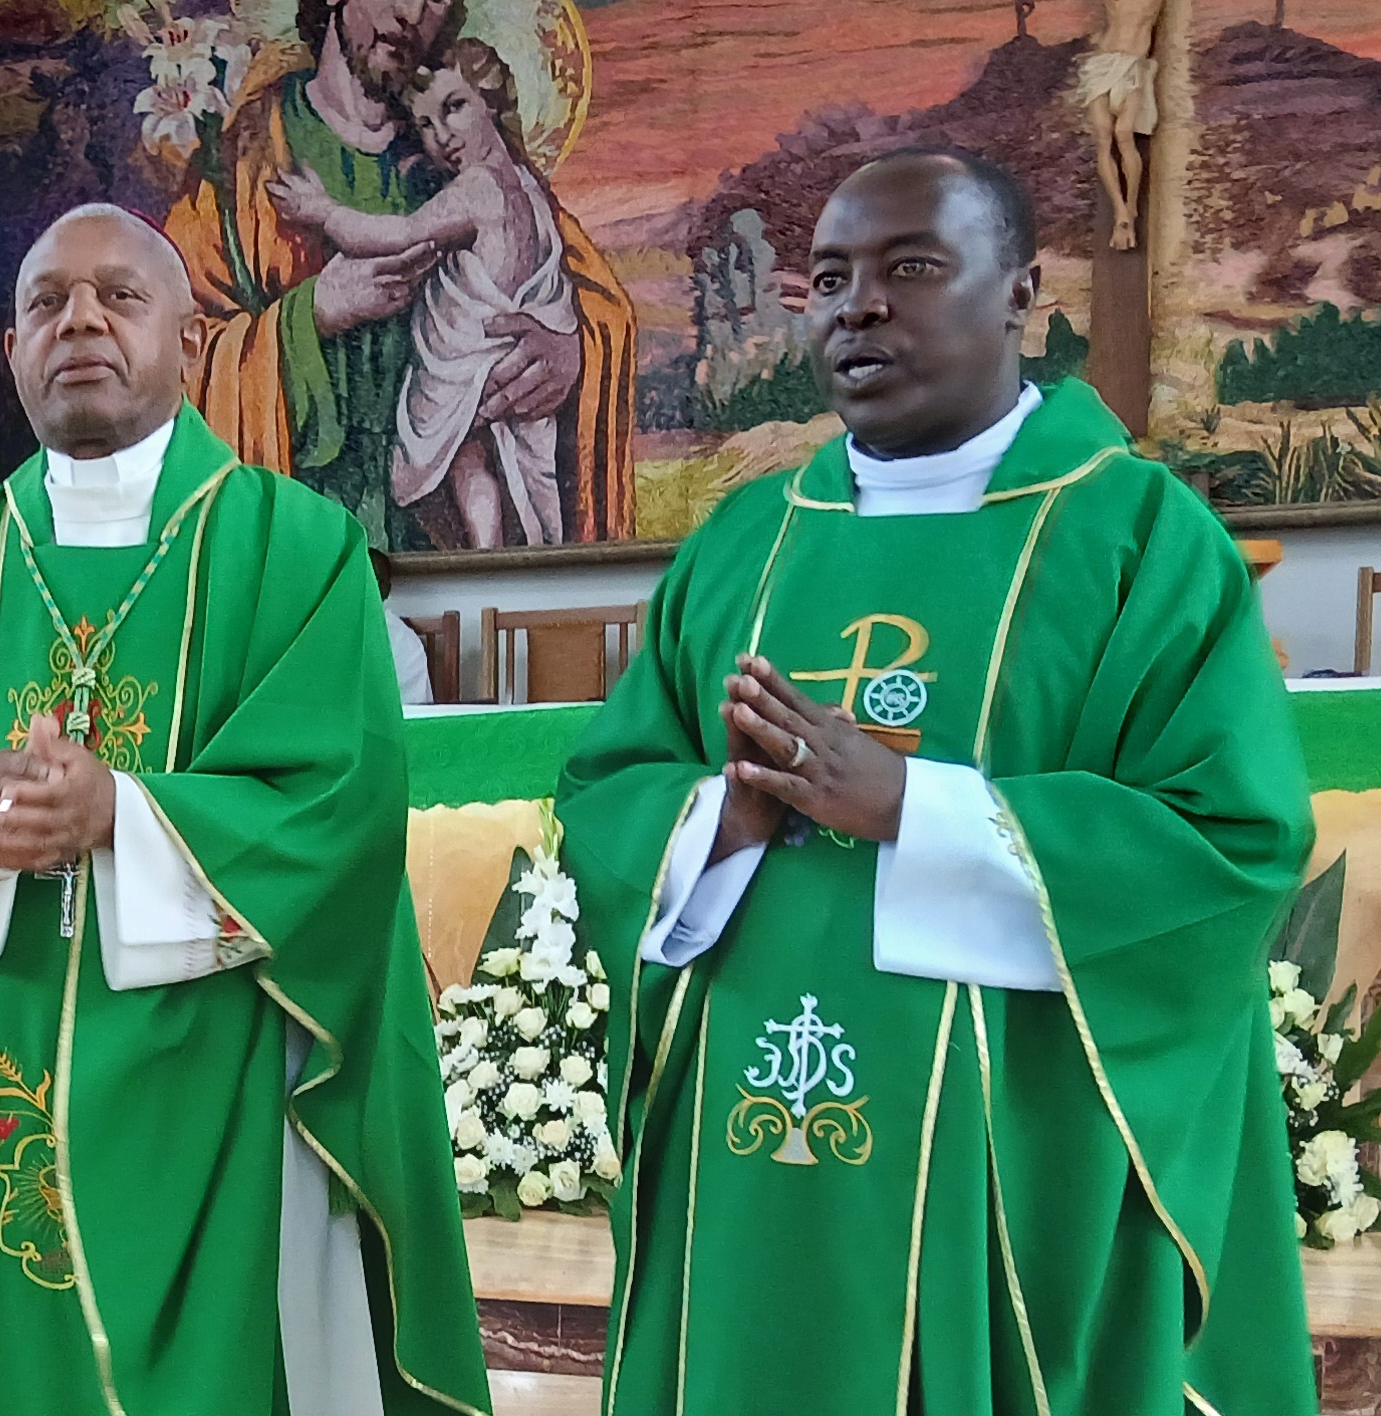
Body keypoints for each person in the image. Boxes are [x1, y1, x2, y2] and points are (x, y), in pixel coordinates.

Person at [557, 148, 1316, 1416]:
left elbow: (1227, 844)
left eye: (910, 269)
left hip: (1016, 1146)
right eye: (831, 278)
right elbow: (607, 794)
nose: (856, 306)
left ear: (1018, 291)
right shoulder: (746, 540)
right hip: (753, 1127)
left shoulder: (1136, 539)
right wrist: (718, 816)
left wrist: (913, 806)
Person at [0, 203, 489, 1416]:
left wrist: (123, 814)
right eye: (44, 304)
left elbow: (338, 804)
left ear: (186, 338)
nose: (79, 321)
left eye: (119, 296)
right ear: (10, 350)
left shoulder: (294, 549)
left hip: (213, 1071)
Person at [163, 0, 635, 553]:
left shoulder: (469, 158)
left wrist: (571, 353)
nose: (411, 11)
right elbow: (177, 354)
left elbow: (598, 309)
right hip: (306, 551)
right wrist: (312, 314)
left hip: (450, 573)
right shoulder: (250, 153)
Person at [270, 40, 574, 549]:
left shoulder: (478, 189)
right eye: (427, 125)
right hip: (495, 362)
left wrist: (322, 212)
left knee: (467, 460)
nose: (442, 137)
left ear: (491, 100)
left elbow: (398, 235)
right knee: (505, 475)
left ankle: (483, 557)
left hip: (469, 364)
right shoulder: (527, 186)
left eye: (454, 108)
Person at [1078, 0, 1165, 250]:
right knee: (1104, 136)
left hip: (1132, 65)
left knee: (1123, 133)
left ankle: (1131, 206)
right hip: (1102, 65)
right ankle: (1121, 212)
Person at [370, 548, 435, 704]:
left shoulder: (405, 642)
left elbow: (413, 710)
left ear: (386, 590)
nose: (365, 587)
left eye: (373, 579)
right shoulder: (329, 630)